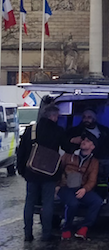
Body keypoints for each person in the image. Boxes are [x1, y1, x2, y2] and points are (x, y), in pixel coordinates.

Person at [17, 104, 65, 242]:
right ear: (53, 116)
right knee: (48, 203)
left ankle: (28, 234)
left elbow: (21, 152)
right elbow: (67, 147)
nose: (57, 118)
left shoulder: (30, 130)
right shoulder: (58, 131)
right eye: (57, 116)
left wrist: (22, 170)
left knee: (30, 203)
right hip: (49, 173)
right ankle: (46, 234)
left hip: (31, 172)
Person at [57, 131, 101, 240]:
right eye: (83, 140)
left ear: (92, 146)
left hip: (81, 188)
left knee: (97, 201)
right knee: (73, 203)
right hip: (65, 187)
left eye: (87, 141)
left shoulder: (94, 162)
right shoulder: (68, 155)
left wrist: (85, 190)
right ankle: (66, 228)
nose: (83, 142)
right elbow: (57, 170)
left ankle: (84, 228)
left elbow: (92, 180)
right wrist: (57, 185)